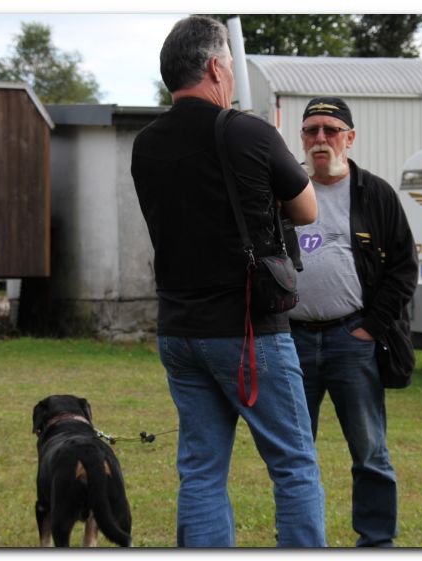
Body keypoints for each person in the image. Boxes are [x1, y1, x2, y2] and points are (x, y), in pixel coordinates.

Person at [130, 16, 326, 547]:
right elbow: (306, 209)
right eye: (232, 67)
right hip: (246, 330)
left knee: (200, 469)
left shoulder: (145, 144)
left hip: (178, 329)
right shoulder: (247, 131)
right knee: (292, 465)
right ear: (217, 67)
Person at [288, 97, 418, 547]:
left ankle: (378, 542)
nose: (319, 139)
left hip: (353, 340)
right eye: (311, 130)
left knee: (370, 452)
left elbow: (403, 269)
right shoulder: (284, 192)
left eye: (329, 129)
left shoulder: (374, 193)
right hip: (294, 342)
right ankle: (304, 542)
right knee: (295, 454)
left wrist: (371, 328)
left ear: (350, 137)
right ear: (301, 138)